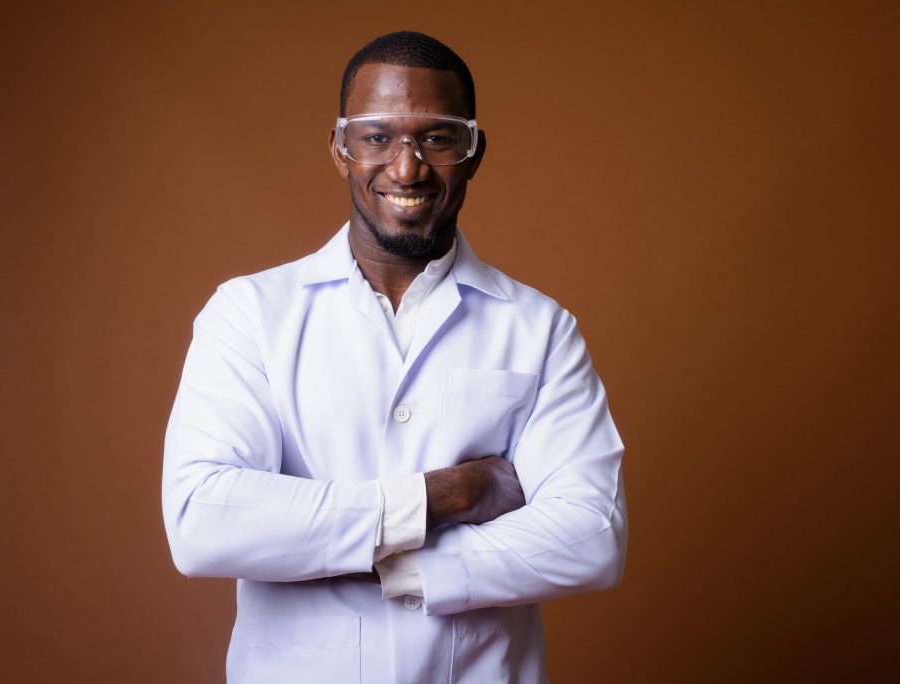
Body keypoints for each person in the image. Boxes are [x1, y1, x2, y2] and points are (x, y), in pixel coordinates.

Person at [162, 31, 626, 684]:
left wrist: (398, 564)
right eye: (377, 137)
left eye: (435, 138)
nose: (405, 168)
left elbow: (589, 536)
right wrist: (446, 495)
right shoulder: (250, 314)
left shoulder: (539, 328)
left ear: (472, 151)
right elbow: (203, 521)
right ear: (340, 148)